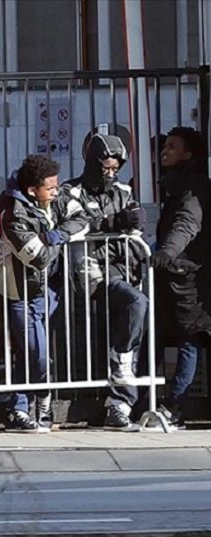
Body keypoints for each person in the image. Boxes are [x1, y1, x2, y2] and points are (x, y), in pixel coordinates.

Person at [57, 133, 149, 431]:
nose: (110, 174)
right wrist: (113, 223)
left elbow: (134, 220)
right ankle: (115, 383)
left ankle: (119, 403)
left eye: (115, 168)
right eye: (105, 168)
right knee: (134, 304)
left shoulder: (123, 190)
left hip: (124, 267)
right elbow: (76, 222)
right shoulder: (70, 191)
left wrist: (135, 218)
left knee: (131, 318)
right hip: (91, 270)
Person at [0, 155, 87, 433]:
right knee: (36, 352)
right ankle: (41, 400)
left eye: (58, 187)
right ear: (32, 190)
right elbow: (38, 258)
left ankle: (19, 409)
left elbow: (83, 219)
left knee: (30, 352)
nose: (57, 192)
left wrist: (57, 234)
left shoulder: (57, 199)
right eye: (51, 188)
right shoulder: (12, 211)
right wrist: (57, 239)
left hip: (51, 288)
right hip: (20, 291)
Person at [151, 127, 211, 429]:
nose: (165, 150)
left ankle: (174, 407)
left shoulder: (194, 186)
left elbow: (188, 223)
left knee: (190, 341)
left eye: (172, 146)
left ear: (188, 154)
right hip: (177, 276)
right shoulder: (178, 184)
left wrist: (166, 253)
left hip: (189, 279)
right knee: (167, 338)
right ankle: (152, 402)